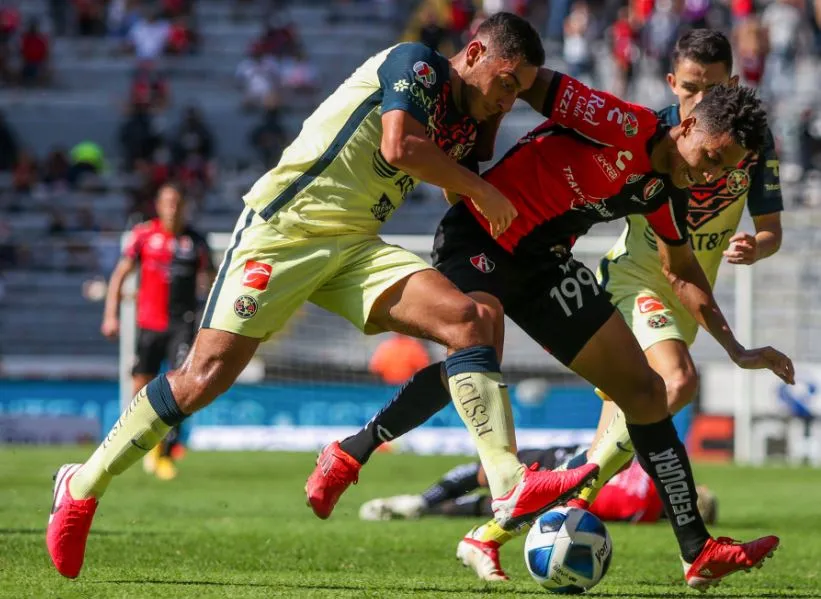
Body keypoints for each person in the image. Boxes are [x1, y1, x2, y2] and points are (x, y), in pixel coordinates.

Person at [46, 13, 599, 580]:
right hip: (285, 231)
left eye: (519, 93)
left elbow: (462, 169)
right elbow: (402, 146)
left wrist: (491, 116)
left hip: (354, 246)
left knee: (470, 320)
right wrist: (481, 178)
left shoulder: (465, 116)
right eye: (507, 83)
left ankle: (505, 481)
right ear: (476, 52)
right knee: (203, 376)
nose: (509, 101)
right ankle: (83, 484)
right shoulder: (417, 64)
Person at [307, 71, 794, 590]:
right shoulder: (618, 122)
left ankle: (698, 552)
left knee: (648, 392)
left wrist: (736, 348)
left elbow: (682, 269)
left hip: (545, 266)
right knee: (476, 345)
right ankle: (352, 453)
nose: (712, 175)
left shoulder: (665, 192)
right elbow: (522, 80)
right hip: (482, 237)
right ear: (690, 125)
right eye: (713, 157)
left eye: (726, 169)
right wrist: (470, 159)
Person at [572, 27, 785, 535]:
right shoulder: (656, 135)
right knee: (677, 382)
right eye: (690, 89)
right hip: (638, 282)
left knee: (609, 448)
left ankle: (558, 507)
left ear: (732, 84)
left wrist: (758, 246)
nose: (700, 100)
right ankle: (564, 490)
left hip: (688, 297)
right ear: (672, 83)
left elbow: (773, 230)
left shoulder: (752, 144)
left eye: (713, 89)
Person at [100, 183, 215, 481]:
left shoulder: (196, 241)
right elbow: (120, 274)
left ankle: (166, 450)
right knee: (141, 386)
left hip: (183, 325)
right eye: (167, 202)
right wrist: (111, 314)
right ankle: (139, 444)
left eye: (177, 201)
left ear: (184, 205)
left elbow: (213, 281)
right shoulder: (144, 237)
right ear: (158, 205)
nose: (172, 207)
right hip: (149, 325)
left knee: (181, 388)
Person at [359, 448, 717, 526]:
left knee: (487, 478)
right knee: (494, 499)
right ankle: (426, 506)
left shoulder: (650, 484)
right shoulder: (645, 511)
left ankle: (424, 504)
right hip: (565, 489)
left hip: (567, 469)